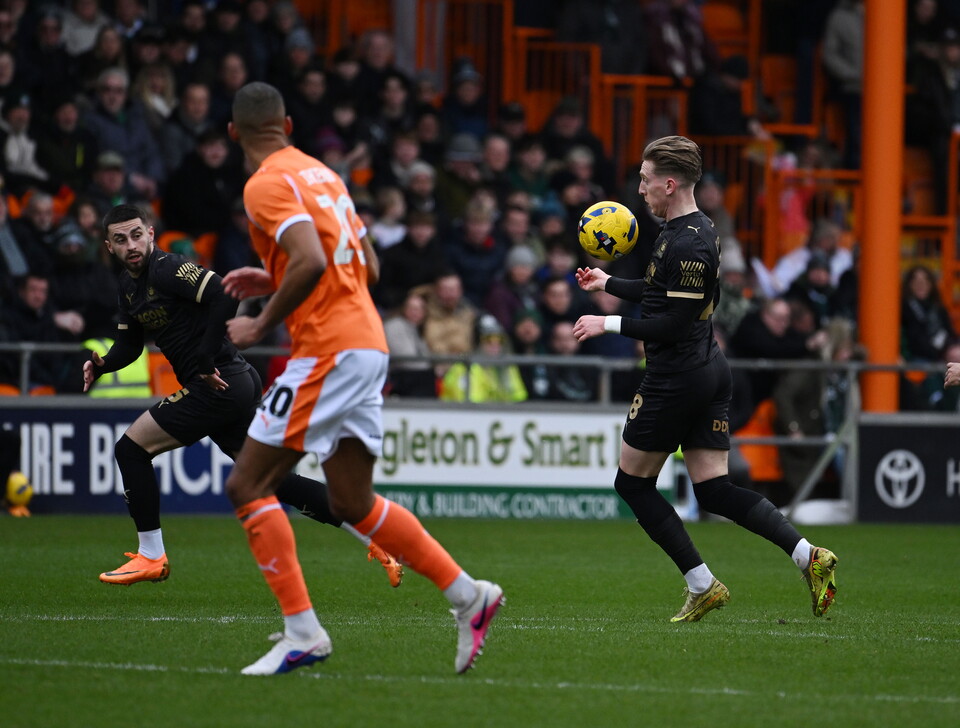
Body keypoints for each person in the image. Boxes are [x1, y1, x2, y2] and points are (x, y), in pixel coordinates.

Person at [222, 82, 502, 675]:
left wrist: (261, 322)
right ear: (289, 124)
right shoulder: (323, 175)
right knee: (351, 500)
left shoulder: (264, 184)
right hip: (367, 343)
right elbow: (364, 266)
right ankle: (468, 597)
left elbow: (314, 261)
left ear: (232, 134)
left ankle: (302, 632)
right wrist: (276, 276)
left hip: (328, 349)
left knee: (248, 484)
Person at [571, 135, 838, 622]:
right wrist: (607, 284)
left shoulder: (690, 242)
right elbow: (660, 293)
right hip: (704, 370)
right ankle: (808, 557)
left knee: (632, 484)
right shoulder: (689, 229)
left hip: (678, 376)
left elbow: (672, 323)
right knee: (713, 490)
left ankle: (701, 583)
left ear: (669, 184)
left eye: (646, 180)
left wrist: (603, 321)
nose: (641, 189)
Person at [82, 204, 402, 588]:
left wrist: (203, 356)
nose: (130, 245)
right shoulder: (129, 286)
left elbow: (223, 293)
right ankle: (374, 533)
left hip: (219, 383)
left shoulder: (167, 269)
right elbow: (131, 344)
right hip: (231, 382)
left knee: (130, 450)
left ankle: (151, 554)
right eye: (120, 239)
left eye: (136, 235)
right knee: (274, 481)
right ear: (109, 246)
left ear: (151, 234)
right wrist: (103, 365)